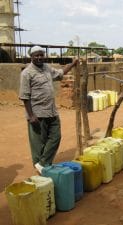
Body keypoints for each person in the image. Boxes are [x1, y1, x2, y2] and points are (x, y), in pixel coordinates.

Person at [19, 45, 78, 174]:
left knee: (56, 137)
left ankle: (42, 163)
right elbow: (24, 96)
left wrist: (72, 64)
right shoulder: (27, 73)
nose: (40, 57)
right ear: (32, 57)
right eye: (37, 55)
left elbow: (61, 73)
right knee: (38, 143)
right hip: (37, 113)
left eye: (42, 55)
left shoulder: (47, 68)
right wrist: (31, 115)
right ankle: (41, 169)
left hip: (51, 111)